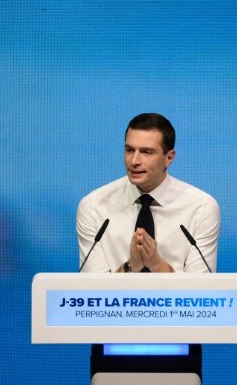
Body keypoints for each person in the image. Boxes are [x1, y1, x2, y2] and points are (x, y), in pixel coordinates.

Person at [77, 113, 220, 273]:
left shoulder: (201, 208)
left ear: (169, 158)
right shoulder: (93, 206)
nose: (134, 161)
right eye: (130, 150)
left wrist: (157, 265)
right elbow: (91, 290)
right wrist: (131, 266)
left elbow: (201, 290)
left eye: (146, 152)